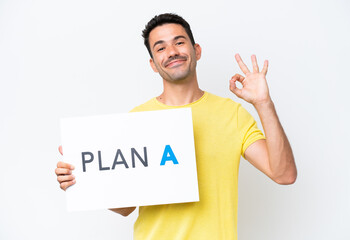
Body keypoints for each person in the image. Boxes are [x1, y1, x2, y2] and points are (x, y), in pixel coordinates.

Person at [55, 13, 297, 239]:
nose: (171, 52)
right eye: (161, 47)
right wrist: (84, 179)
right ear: (153, 63)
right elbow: (124, 207)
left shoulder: (231, 114)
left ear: (197, 50)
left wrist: (264, 103)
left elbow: (284, 174)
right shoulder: (136, 120)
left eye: (179, 42)